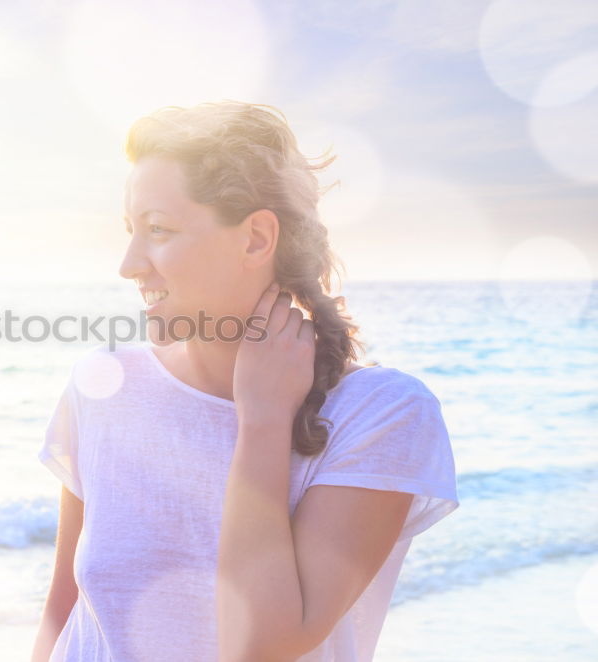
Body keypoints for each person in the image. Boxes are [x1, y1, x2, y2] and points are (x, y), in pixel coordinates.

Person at [31, 100, 460, 662]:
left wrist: (262, 420)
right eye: (131, 231)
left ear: (257, 238)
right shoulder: (104, 384)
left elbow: (263, 646)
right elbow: (65, 609)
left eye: (158, 230)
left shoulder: (381, 414)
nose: (130, 263)